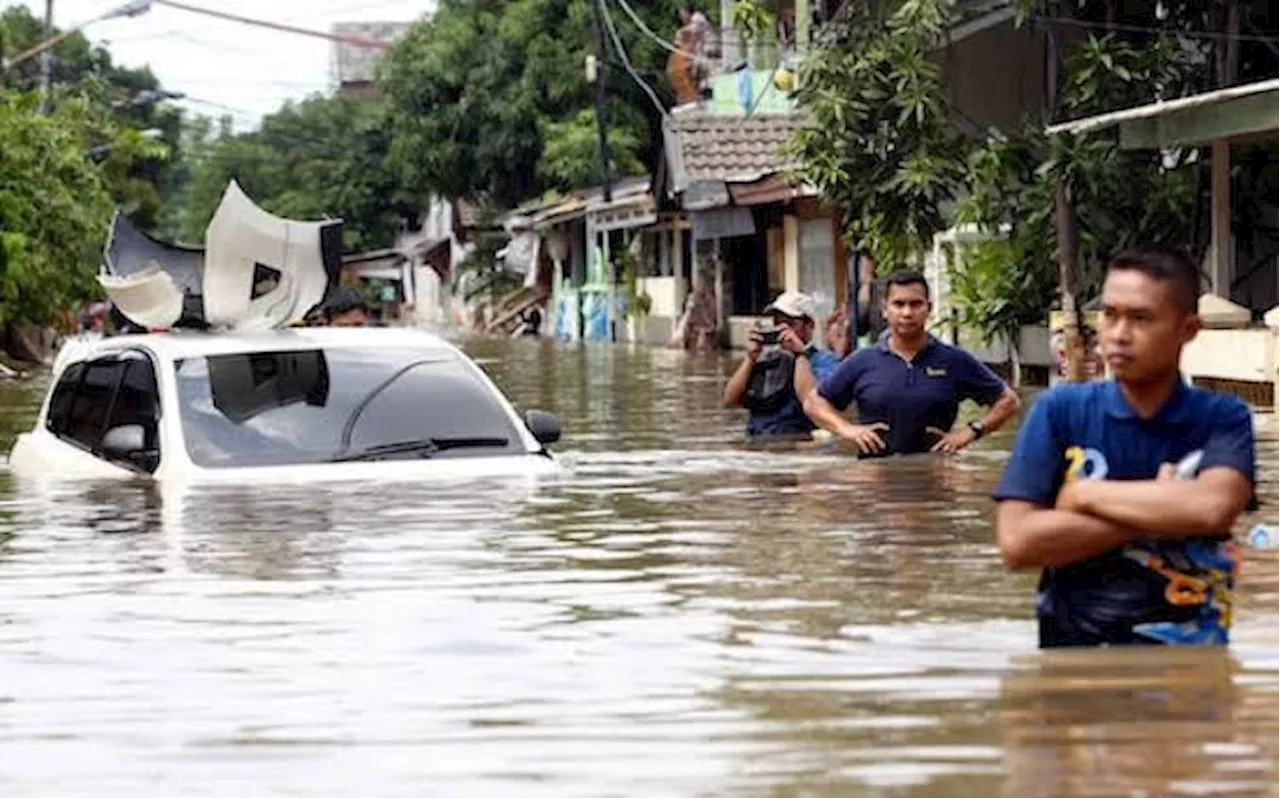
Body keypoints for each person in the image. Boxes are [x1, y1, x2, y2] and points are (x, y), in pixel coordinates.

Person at [992, 249, 1256, 649]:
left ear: (1188, 329)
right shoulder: (1060, 411)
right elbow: (1018, 543)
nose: (1118, 334)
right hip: (1074, 666)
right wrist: (1167, 506)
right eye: (1110, 315)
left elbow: (1211, 509)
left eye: (1141, 318)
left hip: (1190, 672)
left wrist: (1083, 494)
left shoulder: (1221, 417)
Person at [803, 269, 1020, 456]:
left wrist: (970, 432)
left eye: (915, 304)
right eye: (899, 304)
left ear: (929, 308)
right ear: (885, 309)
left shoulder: (954, 360)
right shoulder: (863, 360)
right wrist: (848, 430)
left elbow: (1009, 401)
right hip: (873, 484)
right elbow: (814, 403)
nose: (907, 313)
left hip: (935, 476)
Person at [723, 291, 840, 440]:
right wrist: (749, 359)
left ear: (809, 325)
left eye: (790, 324)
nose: (781, 330)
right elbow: (730, 400)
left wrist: (800, 355)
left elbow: (813, 401)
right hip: (758, 440)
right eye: (777, 323)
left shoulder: (825, 361)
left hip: (795, 441)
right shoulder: (766, 360)